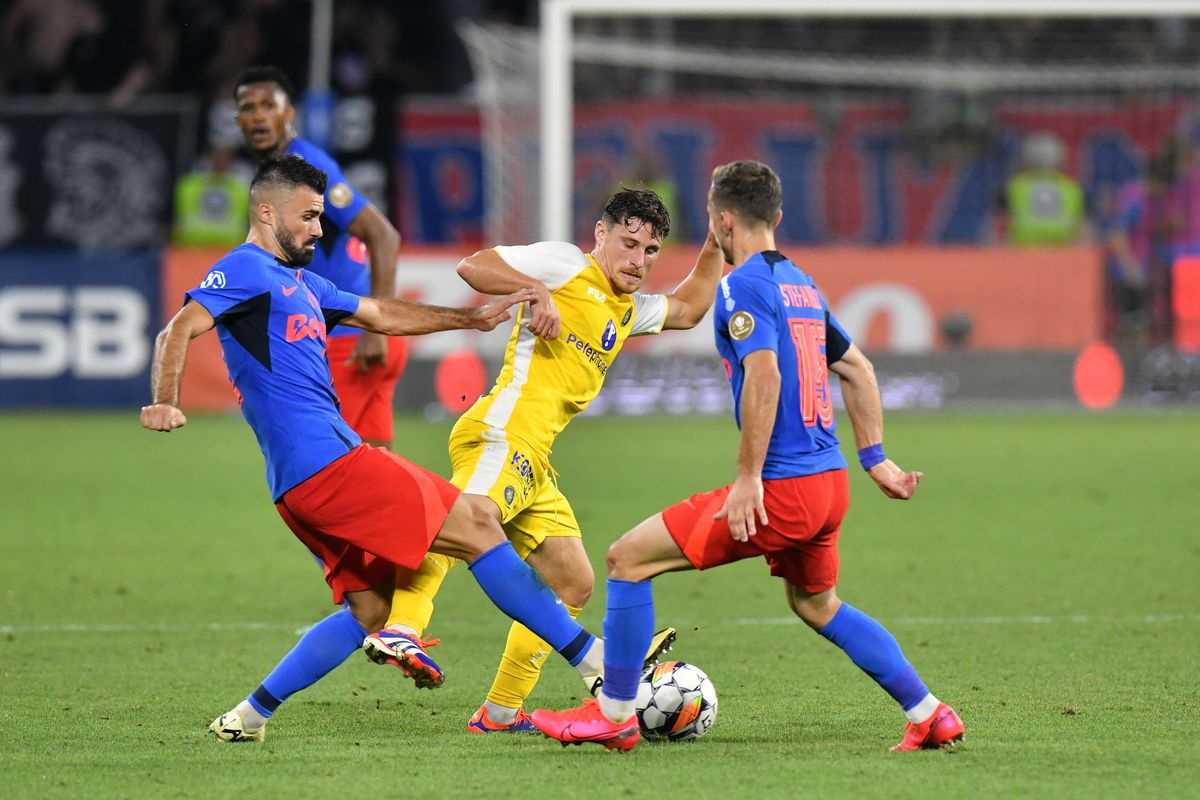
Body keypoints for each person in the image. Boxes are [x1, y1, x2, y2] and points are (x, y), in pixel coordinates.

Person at [142, 154, 609, 743]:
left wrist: (469, 319)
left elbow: (382, 313)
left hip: (299, 485)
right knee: (477, 526)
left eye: (320, 217)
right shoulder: (244, 270)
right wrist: (164, 400)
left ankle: (248, 717)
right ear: (265, 213)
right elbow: (178, 328)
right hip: (329, 465)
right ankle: (598, 666)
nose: (319, 229)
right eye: (308, 216)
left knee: (370, 609)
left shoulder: (303, 284)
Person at [530, 160, 965, 753]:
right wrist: (876, 460)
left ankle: (615, 715)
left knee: (627, 559)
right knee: (817, 604)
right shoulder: (801, 284)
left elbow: (765, 374)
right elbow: (858, 369)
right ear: (777, 216)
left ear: (721, 220)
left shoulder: (743, 285)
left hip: (783, 489)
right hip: (830, 484)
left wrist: (747, 478)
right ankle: (930, 712)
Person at [362, 188, 726, 733]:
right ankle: (402, 628)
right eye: (628, 244)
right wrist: (534, 291)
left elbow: (690, 308)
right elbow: (473, 266)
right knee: (465, 524)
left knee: (572, 581)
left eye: (650, 251)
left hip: (535, 460)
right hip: (501, 434)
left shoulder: (628, 310)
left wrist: (717, 241)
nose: (638, 260)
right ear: (600, 234)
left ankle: (500, 712)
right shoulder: (565, 265)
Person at [234, 65, 405, 449]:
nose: (259, 116)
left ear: (289, 112)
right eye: (248, 108)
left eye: (269, 105)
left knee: (328, 465)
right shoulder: (278, 172)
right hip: (354, 332)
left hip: (352, 336)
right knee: (376, 468)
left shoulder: (306, 167)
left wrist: (376, 329)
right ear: (237, 119)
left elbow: (384, 235)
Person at [1002, 131, 1085, 247]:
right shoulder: (1072, 188)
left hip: (1023, 251)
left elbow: (1000, 224)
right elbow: (1083, 229)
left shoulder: (1015, 186)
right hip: (1064, 252)